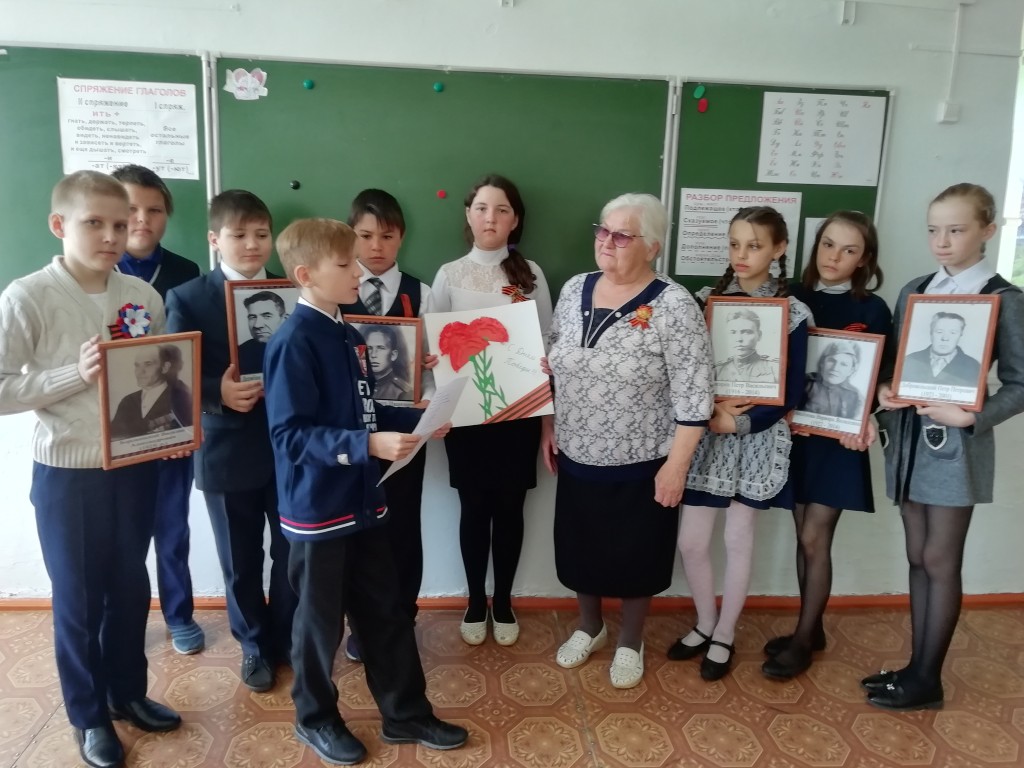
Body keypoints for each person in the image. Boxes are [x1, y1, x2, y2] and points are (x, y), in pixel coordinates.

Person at [264, 217, 467, 765]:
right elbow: (290, 437)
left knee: (385, 611)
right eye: (345, 263)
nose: (359, 271)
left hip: (362, 500)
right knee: (318, 625)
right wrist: (367, 444)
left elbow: (364, 411)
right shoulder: (292, 342)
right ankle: (314, 718)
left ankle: (406, 713)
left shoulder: (349, 334)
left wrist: (418, 418)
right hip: (318, 513)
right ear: (306, 275)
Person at [0, 170, 182, 768]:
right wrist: (71, 375)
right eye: (94, 223)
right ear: (60, 225)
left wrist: (172, 431)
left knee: (130, 588)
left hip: (133, 467)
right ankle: (88, 716)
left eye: (120, 224)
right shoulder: (27, 296)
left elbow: (157, 377)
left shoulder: (143, 297)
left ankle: (127, 693)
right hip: (69, 473)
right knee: (78, 599)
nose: (112, 236)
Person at [542, 194, 713, 689]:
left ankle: (630, 641)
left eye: (621, 235)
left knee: (638, 556)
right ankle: (590, 627)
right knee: (580, 549)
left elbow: (695, 395)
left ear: (652, 246)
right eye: (603, 230)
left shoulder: (674, 305)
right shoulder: (574, 288)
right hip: (577, 453)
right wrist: (547, 426)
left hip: (643, 462)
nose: (606, 241)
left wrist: (676, 466)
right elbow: (550, 363)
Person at [864, 183, 1024, 710]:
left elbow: (1021, 384)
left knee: (939, 557)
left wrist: (973, 415)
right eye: (934, 230)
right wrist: (884, 389)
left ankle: (928, 679)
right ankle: (916, 667)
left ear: (987, 230)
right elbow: (896, 364)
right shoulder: (916, 290)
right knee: (917, 555)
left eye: (956, 230)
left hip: (957, 448)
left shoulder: (1004, 299)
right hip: (909, 443)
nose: (942, 241)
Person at [669, 206, 811, 681]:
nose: (742, 254)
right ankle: (705, 622)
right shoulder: (704, 302)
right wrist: (711, 413)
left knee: (737, 538)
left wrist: (741, 424)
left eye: (754, 245)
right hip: (706, 434)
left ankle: (726, 633)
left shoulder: (792, 313)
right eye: (735, 244)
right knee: (691, 542)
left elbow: (790, 391)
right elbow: (685, 369)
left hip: (754, 440)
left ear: (778, 249)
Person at [165, 190, 296, 694]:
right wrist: (215, 393)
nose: (252, 244)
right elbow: (173, 377)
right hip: (224, 449)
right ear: (214, 239)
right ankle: (254, 644)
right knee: (239, 559)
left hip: (287, 448)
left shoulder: (292, 291)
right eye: (238, 235)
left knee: (290, 550)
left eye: (261, 234)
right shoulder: (188, 297)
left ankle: (286, 636)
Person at [761, 211, 892, 681]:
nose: (835, 257)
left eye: (849, 250)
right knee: (803, 534)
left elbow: (882, 378)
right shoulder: (791, 297)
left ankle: (803, 641)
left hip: (839, 441)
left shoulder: (873, 308)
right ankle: (810, 629)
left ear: (864, 259)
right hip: (798, 436)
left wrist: (868, 417)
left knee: (816, 538)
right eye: (828, 244)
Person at [430, 174, 552, 647]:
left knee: (510, 509)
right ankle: (475, 601)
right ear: (468, 214)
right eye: (482, 208)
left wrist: (546, 419)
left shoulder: (531, 274)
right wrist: (436, 400)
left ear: (514, 219)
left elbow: (546, 346)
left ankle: (503, 601)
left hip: (519, 415)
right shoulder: (449, 274)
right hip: (466, 418)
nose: (490, 218)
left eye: (502, 210)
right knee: (473, 508)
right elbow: (434, 349)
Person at [339, 188, 437, 663]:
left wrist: (433, 403)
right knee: (356, 531)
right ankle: (361, 625)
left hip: (406, 435)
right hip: (353, 436)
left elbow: (436, 366)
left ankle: (402, 617)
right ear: (351, 236)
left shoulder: (423, 292)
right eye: (365, 235)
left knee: (402, 527)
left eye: (387, 236)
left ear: (402, 237)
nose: (376, 246)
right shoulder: (337, 290)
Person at [111, 164, 204, 655]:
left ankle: (179, 614)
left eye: (154, 209)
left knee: (172, 527)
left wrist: (183, 428)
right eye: (131, 209)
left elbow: (193, 356)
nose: (142, 219)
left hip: (172, 427)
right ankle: (125, 623)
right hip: (117, 426)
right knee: (121, 536)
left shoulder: (186, 273)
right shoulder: (100, 271)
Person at [109, 344, 193, 440]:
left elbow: (187, 435)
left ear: (165, 367)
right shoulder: (127, 401)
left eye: (148, 364)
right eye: (137, 365)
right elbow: (115, 438)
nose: (140, 372)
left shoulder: (181, 398)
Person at [900, 311, 982, 388]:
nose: (945, 338)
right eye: (939, 332)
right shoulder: (909, 360)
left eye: (953, 332)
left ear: (960, 334)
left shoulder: (973, 366)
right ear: (931, 332)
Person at [802, 339, 863, 420]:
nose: (835, 368)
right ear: (822, 363)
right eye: (831, 361)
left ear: (851, 370)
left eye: (844, 364)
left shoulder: (855, 396)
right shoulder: (805, 383)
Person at [714, 308, 779, 383]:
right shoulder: (718, 371)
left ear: (759, 335)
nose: (739, 339)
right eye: (733, 332)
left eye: (747, 332)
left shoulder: (774, 369)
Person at [238, 290, 288, 378]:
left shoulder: (300, 349)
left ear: (284, 319)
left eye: (267, 316)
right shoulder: (240, 353)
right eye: (252, 317)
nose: (257, 325)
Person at [365, 325, 413, 401]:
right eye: (369, 348)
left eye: (381, 348)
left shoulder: (402, 392)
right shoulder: (358, 384)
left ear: (393, 355)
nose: (373, 355)